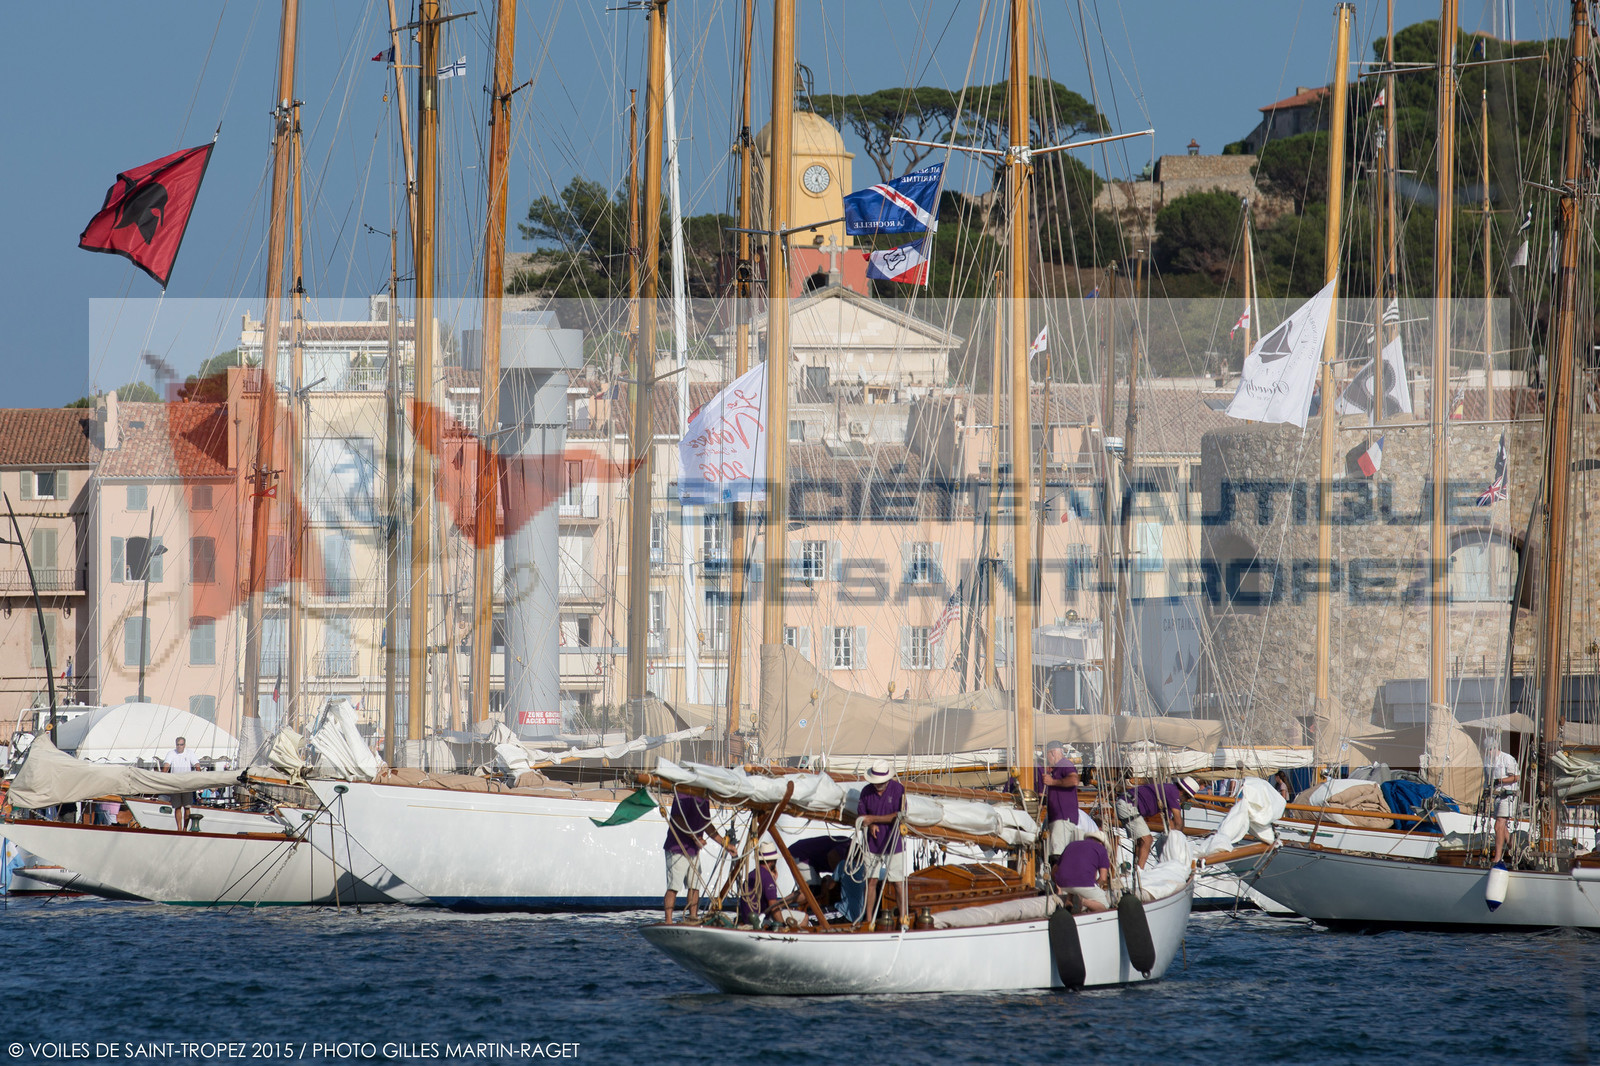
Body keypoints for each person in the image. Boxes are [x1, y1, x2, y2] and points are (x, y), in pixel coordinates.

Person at [662, 785, 730, 923]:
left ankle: (693, 917)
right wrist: (695, 837)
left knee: (695, 885)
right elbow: (677, 818)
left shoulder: (704, 798)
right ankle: (668, 920)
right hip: (677, 847)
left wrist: (724, 844)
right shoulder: (684, 793)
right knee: (674, 886)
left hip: (693, 849)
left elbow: (706, 823)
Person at [856, 759, 907, 927]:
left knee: (898, 882)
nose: (878, 785)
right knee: (871, 881)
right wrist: (870, 824)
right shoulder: (866, 792)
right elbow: (862, 816)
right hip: (872, 844)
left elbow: (899, 815)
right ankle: (868, 920)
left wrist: (873, 819)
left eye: (881, 782)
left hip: (894, 842)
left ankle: (903, 917)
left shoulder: (898, 790)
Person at [1040, 741, 1082, 861]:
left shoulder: (1064, 764)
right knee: (1054, 853)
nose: (1047, 760)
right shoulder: (1057, 769)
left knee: (1056, 856)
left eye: (1047, 756)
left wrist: (1052, 782)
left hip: (1062, 818)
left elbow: (1074, 780)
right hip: (1058, 818)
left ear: (1052, 753)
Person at [1054, 833, 1113, 912]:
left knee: (1075, 886)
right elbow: (1103, 878)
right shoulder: (1101, 848)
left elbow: (1055, 870)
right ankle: (1083, 901)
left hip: (1062, 884)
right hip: (1083, 883)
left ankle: (1069, 901)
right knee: (1104, 906)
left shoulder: (1071, 844)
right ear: (1101, 843)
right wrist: (1095, 886)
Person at [1485, 737, 1519, 865]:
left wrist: (1500, 781)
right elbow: (1487, 779)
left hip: (1508, 796)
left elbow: (1516, 777)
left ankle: (1498, 858)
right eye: (1487, 750)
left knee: (1498, 825)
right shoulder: (1488, 762)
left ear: (1496, 748)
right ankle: (1514, 850)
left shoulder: (1507, 758)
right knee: (1502, 828)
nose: (1489, 752)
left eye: (1490, 749)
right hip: (1497, 796)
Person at [737, 840, 786, 928]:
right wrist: (784, 926)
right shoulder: (768, 878)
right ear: (773, 862)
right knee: (804, 918)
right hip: (760, 921)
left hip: (746, 920)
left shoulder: (751, 874)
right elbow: (773, 906)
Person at [160, 737, 197, 831]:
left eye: (181, 744)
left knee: (187, 807)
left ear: (184, 745)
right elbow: (167, 765)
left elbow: (196, 764)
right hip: (175, 784)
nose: (179, 746)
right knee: (177, 807)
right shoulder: (171, 753)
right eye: (178, 745)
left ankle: (185, 828)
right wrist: (161, 777)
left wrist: (199, 775)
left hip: (187, 784)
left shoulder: (190, 753)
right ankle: (179, 829)